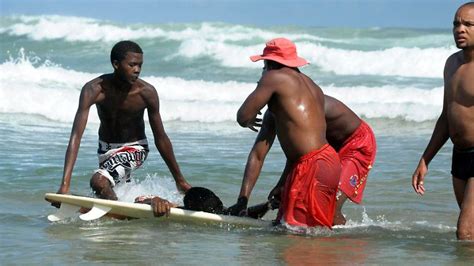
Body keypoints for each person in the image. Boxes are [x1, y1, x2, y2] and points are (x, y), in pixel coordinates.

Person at [49, 40, 191, 206]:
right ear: (116, 64)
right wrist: (64, 185)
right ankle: (134, 206)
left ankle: (116, 213)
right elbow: (76, 136)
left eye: (140, 65)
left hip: (135, 147)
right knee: (111, 190)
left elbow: (161, 138)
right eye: (132, 65)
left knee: (99, 181)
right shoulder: (94, 89)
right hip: (105, 149)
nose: (137, 70)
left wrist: (179, 180)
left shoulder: (147, 93)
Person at [230, 38, 341, 228]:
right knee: (309, 229)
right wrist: (282, 183)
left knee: (297, 234)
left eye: (264, 64)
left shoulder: (273, 77)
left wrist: (248, 119)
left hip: (311, 166)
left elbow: (242, 116)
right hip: (328, 162)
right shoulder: (311, 86)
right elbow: (296, 149)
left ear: (269, 62)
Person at [230, 95, 376, 226]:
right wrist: (242, 201)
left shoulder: (303, 108)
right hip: (324, 149)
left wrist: (282, 184)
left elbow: (301, 153)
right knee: (290, 206)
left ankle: (340, 247)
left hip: (355, 144)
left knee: (330, 207)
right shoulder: (271, 115)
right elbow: (257, 155)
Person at [411, 2, 474, 241]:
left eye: (468, 24)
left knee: (465, 232)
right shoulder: (451, 64)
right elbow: (447, 116)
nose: (460, 29)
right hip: (460, 156)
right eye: (456, 24)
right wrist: (425, 159)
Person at [136, 187, 271, 218]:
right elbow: (139, 200)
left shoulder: (223, 212)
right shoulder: (180, 209)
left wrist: (269, 205)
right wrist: (155, 200)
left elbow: (248, 213)